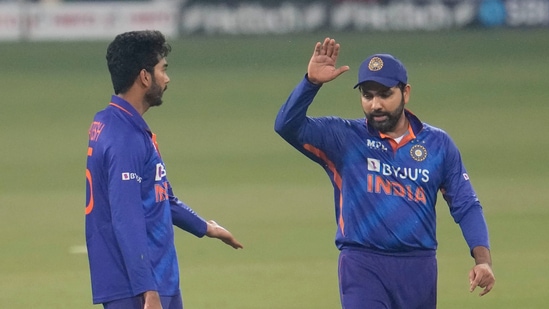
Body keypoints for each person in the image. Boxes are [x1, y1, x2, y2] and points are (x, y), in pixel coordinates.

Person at [274, 37, 495, 308]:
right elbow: (286, 126)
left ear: (406, 93)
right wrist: (311, 83)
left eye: (385, 94)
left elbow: (466, 205)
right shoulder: (344, 138)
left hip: (419, 268)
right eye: (368, 95)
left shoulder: (438, 145)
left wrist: (483, 261)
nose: (375, 105)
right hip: (361, 263)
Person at [85, 30, 243, 309]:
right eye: (162, 70)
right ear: (145, 77)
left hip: (155, 278)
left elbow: (160, 196)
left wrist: (205, 227)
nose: (167, 79)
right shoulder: (126, 139)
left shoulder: (113, 123)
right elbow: (126, 219)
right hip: (137, 287)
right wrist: (148, 290)